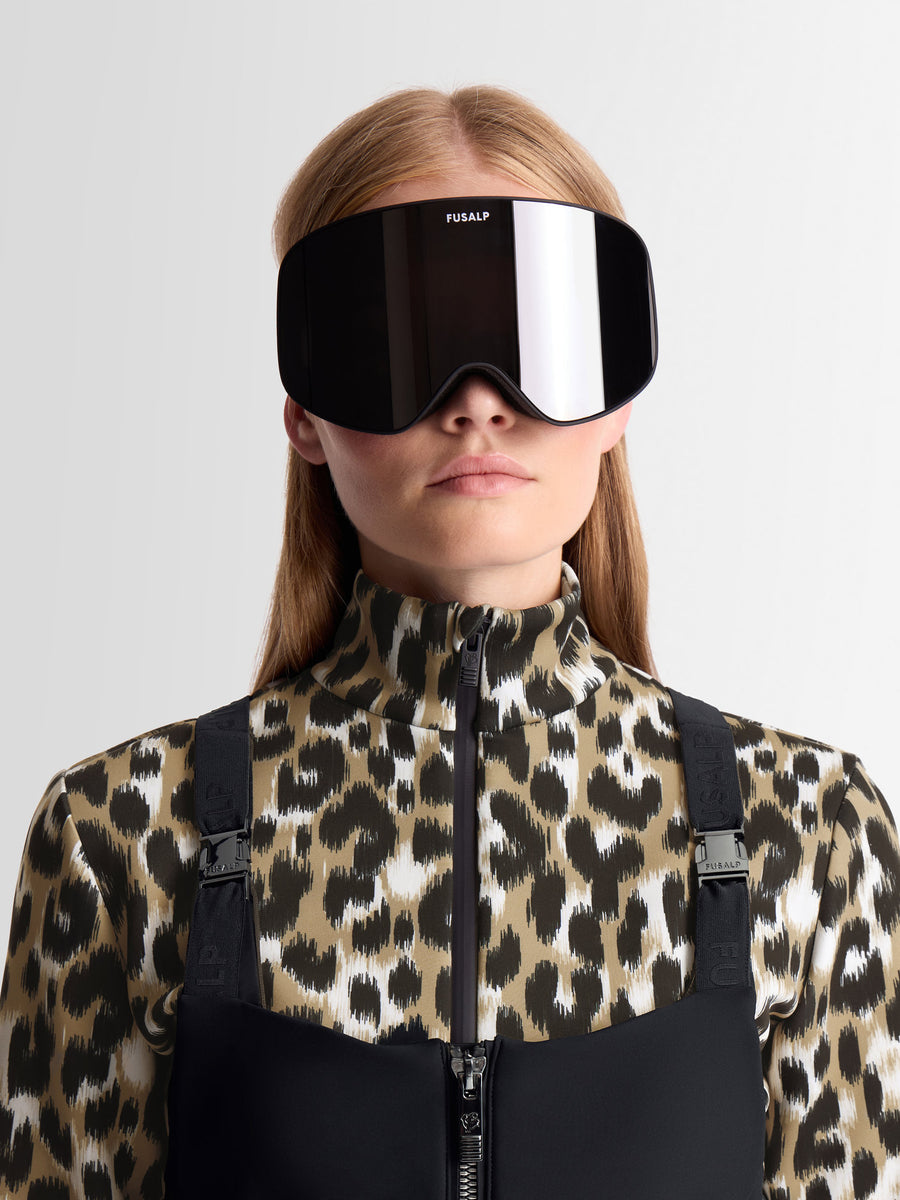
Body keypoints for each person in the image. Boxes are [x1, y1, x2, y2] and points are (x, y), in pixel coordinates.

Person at [1, 83, 897, 1200]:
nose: (477, 401)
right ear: (304, 411)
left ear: (616, 401)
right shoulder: (127, 834)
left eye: (537, 342)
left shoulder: (804, 830)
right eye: (403, 340)